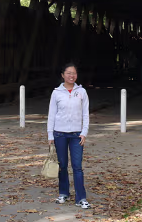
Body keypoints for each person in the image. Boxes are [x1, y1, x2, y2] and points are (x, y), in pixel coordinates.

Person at [47, 63, 91, 209]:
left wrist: (84, 132)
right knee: (63, 165)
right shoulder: (56, 93)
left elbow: (85, 113)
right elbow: (51, 115)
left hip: (76, 135)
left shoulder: (82, 92)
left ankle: (81, 197)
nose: (71, 76)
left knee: (77, 166)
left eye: (74, 73)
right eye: (68, 73)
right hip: (59, 134)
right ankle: (63, 193)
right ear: (62, 75)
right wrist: (50, 134)